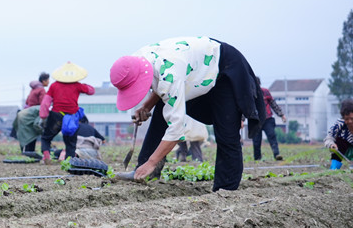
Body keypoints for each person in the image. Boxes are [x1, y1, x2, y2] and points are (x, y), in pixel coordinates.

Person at [110, 36, 265, 192]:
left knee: (227, 132)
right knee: (162, 111)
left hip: (224, 67)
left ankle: (226, 190)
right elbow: (160, 83)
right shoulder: (137, 61)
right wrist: (146, 106)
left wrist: (152, 161)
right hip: (196, 75)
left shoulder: (169, 73)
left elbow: (176, 131)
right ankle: (143, 172)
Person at [39, 62, 95, 163]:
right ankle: (69, 160)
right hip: (71, 117)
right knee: (71, 142)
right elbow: (91, 91)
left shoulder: (54, 85)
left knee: (46, 137)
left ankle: (46, 155)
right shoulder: (77, 85)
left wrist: (43, 115)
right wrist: (83, 84)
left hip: (56, 115)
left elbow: (46, 102)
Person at [252, 77, 287, 161]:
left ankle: (276, 154)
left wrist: (281, 115)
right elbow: (246, 108)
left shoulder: (265, 92)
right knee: (256, 140)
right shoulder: (250, 94)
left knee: (272, 136)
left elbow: (273, 104)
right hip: (256, 120)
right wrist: (242, 120)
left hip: (268, 119)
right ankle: (257, 158)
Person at [324, 99, 353, 170]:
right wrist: (331, 144)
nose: (350, 121)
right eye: (346, 119)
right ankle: (334, 168)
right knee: (339, 140)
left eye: (352, 118)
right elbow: (329, 137)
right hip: (345, 151)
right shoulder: (339, 124)